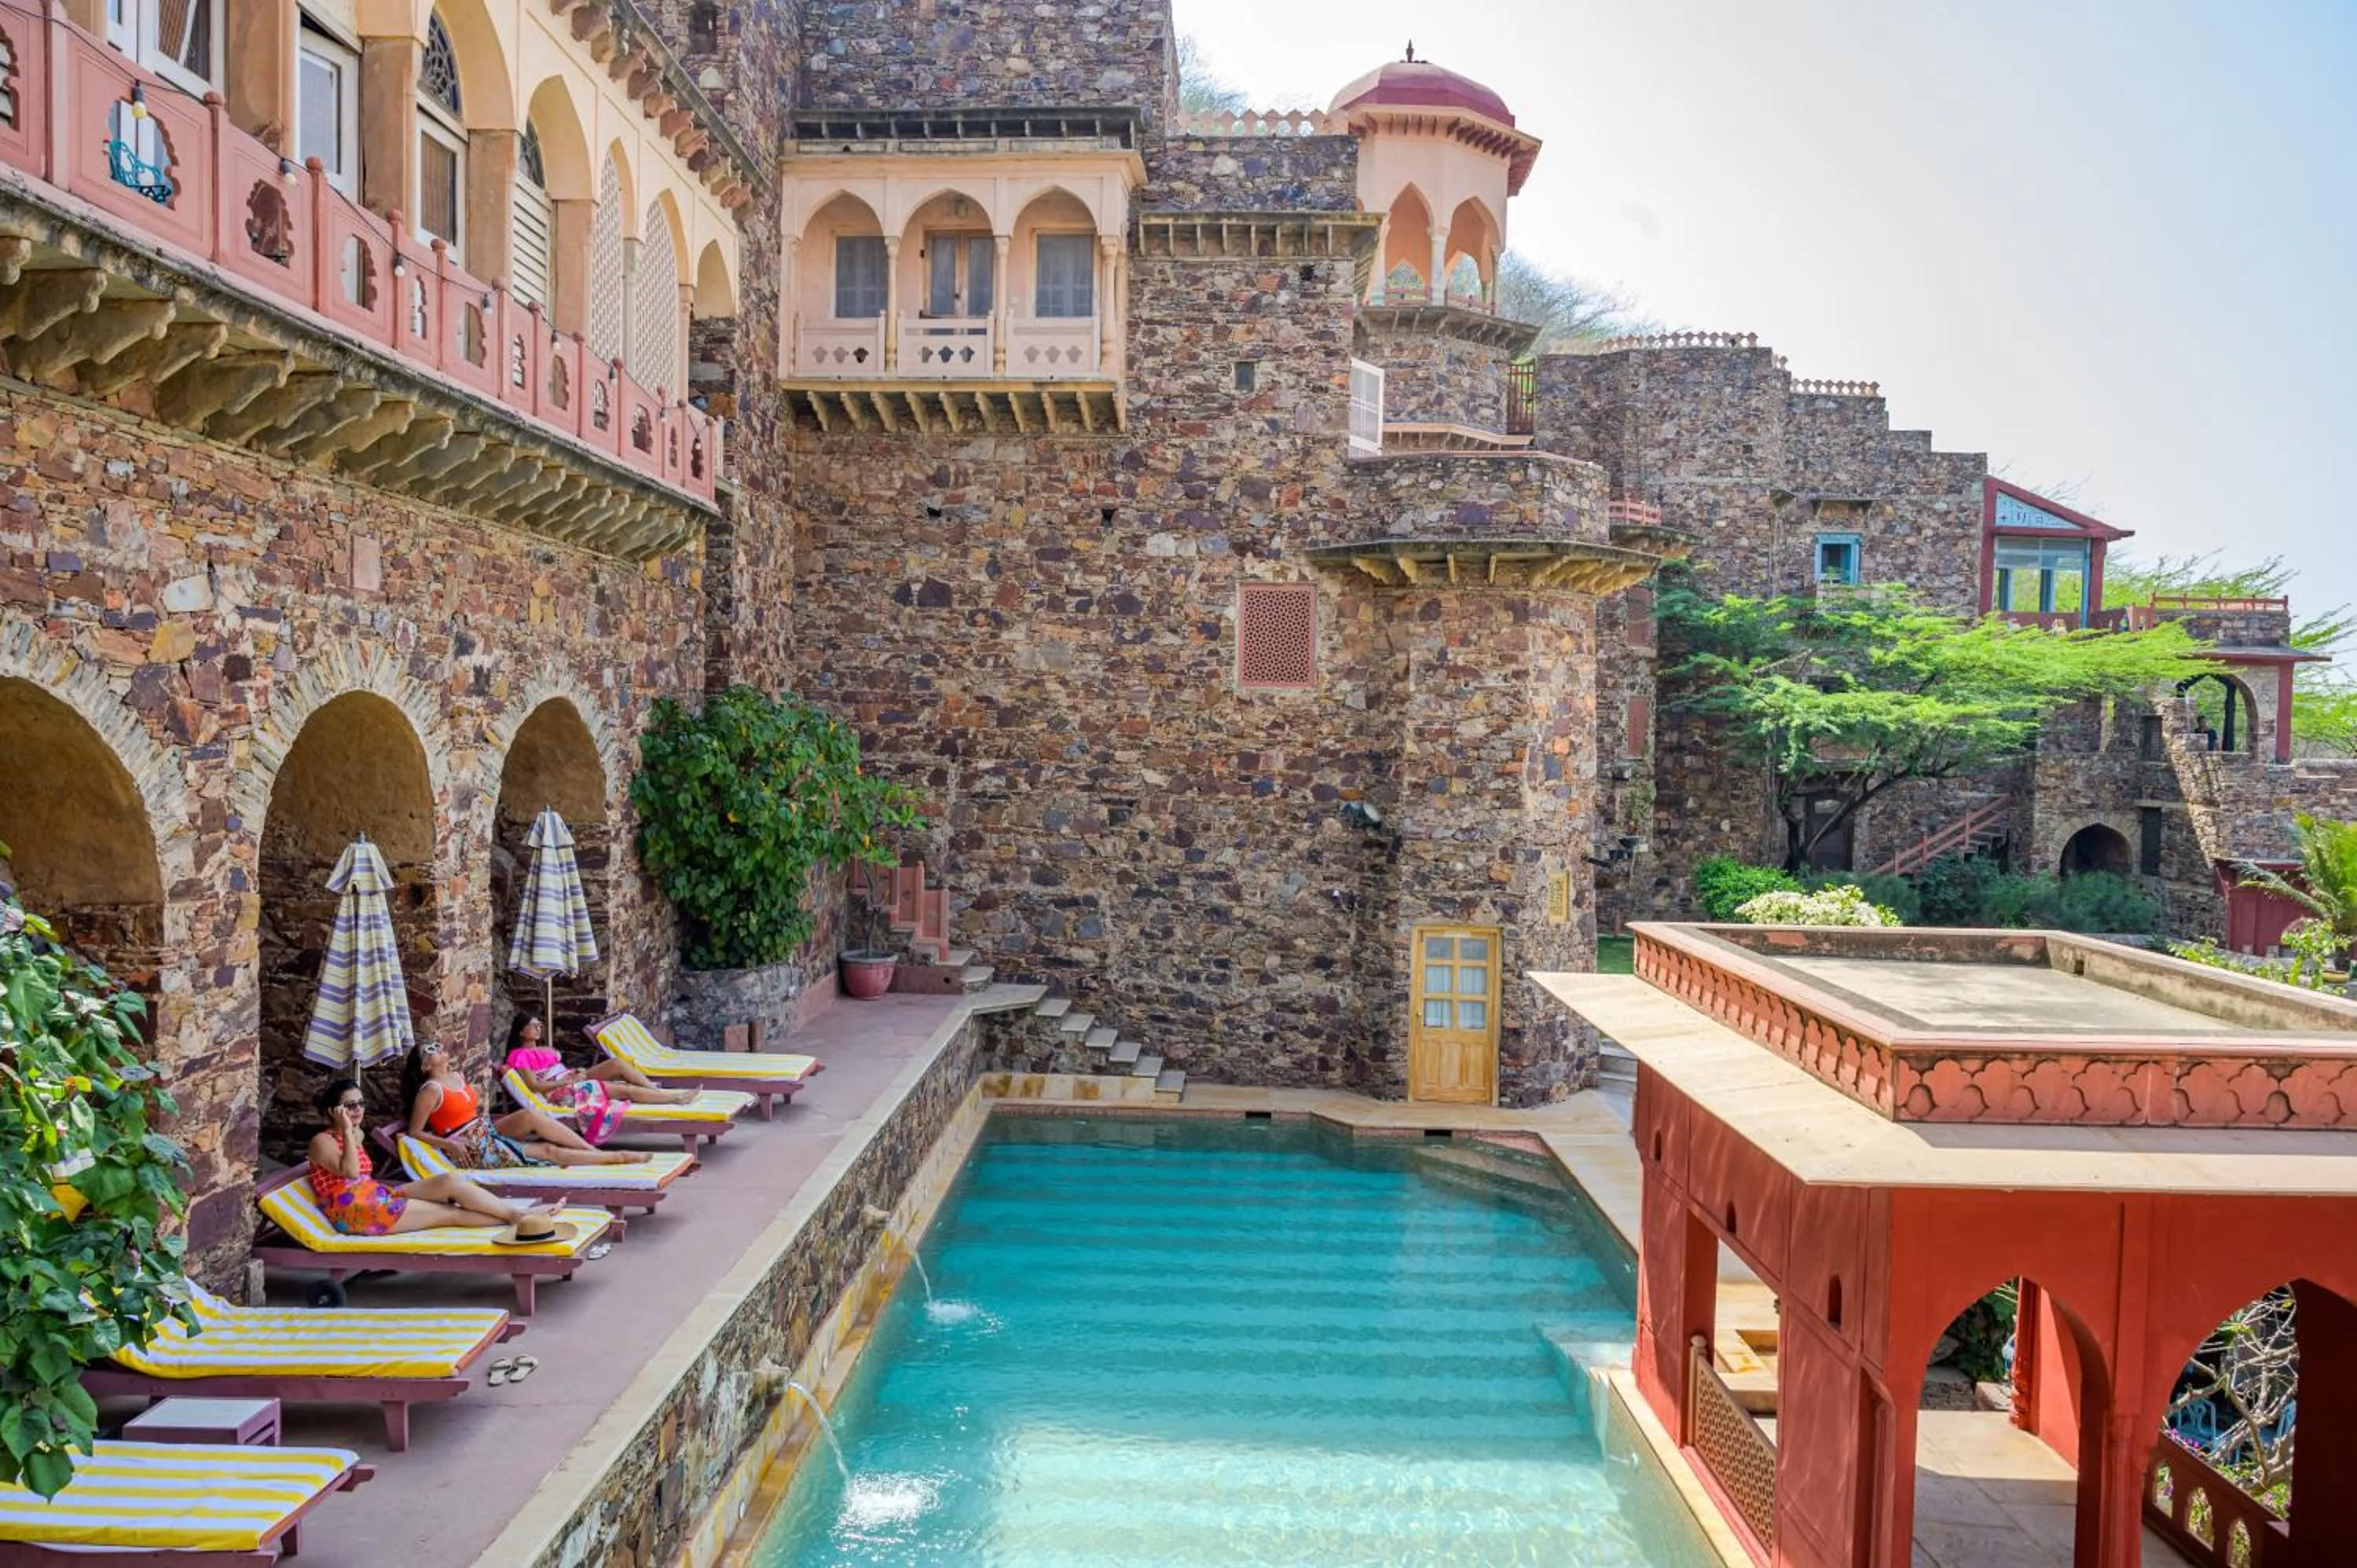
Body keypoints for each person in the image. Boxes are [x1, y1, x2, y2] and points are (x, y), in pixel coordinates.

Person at [307, 1079, 558, 1236]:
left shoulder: (357, 1134)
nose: (358, 1110)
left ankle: (516, 1215)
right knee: (448, 1212)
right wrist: (347, 1131)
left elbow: (361, 1178)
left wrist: (351, 1132)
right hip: (353, 1211)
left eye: (361, 1103)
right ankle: (521, 1218)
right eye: (350, 1106)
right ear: (333, 1111)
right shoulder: (322, 1141)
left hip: (375, 1194)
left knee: (449, 1181)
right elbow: (351, 1173)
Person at [401, 1040, 647, 1168]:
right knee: (548, 1151)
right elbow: (414, 1132)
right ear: (425, 1066)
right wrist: (449, 1145)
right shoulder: (431, 1090)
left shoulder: (457, 1077)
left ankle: (592, 1152)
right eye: (430, 1049)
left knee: (529, 1115)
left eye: (436, 1044)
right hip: (469, 1146)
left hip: (482, 1129)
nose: (438, 1048)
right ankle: (616, 1158)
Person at [502, 1016, 696, 1148]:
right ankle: (674, 1098)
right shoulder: (520, 1055)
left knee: (616, 1064)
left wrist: (576, 1074)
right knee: (625, 1090)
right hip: (561, 1092)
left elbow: (558, 1070)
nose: (538, 1028)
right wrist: (567, 1083)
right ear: (521, 1031)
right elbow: (535, 1086)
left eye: (539, 1025)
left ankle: (655, 1091)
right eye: (533, 1025)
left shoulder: (544, 1049)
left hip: (571, 1079)